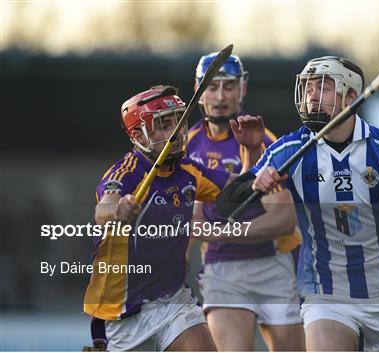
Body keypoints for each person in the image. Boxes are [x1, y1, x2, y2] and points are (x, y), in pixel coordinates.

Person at [216, 56, 379, 351]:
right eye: (308, 87)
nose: (312, 95)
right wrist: (253, 181)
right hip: (326, 298)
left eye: (324, 87)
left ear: (350, 96)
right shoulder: (288, 149)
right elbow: (225, 205)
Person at [82, 85, 293, 351]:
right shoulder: (126, 173)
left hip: (174, 302)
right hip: (123, 313)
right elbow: (103, 211)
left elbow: (238, 192)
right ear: (139, 135)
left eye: (177, 121)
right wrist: (119, 211)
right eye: (164, 124)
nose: (177, 132)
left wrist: (251, 152)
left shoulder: (188, 171)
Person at [187, 53, 304, 351]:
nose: (220, 96)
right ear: (198, 90)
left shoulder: (261, 140)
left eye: (229, 86)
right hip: (221, 269)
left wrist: (223, 232)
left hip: (274, 265)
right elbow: (192, 221)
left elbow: (283, 220)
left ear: (243, 89)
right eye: (211, 87)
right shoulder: (186, 146)